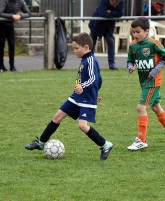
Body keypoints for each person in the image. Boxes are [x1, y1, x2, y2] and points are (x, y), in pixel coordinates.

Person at [25, 33, 113, 161]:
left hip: (86, 100)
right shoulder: (85, 59)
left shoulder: (91, 60)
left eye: (76, 48)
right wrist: (93, 93)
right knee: (57, 117)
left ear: (86, 47)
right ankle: (41, 143)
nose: (74, 51)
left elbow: (95, 79)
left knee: (82, 126)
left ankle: (105, 144)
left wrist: (85, 88)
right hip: (77, 97)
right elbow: (98, 80)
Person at [126, 17, 165, 150]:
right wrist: (130, 67)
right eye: (133, 32)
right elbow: (130, 60)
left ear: (146, 31)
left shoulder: (153, 43)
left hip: (153, 81)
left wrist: (156, 70)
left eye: (138, 32)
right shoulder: (132, 45)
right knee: (156, 107)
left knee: (141, 107)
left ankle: (141, 139)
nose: (135, 35)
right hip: (143, 82)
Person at [89, 0, 125, 70]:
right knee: (92, 42)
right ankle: (90, 62)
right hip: (97, 23)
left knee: (110, 41)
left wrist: (110, 12)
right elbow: (101, 12)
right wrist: (113, 13)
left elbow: (120, 13)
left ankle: (112, 64)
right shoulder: (103, 1)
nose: (115, 5)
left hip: (109, 26)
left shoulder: (121, 1)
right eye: (114, 3)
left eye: (117, 4)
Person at [0, 0, 30, 71]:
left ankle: (12, 66)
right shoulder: (4, 1)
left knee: (11, 44)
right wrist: (12, 16)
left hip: (10, 25)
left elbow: (28, 13)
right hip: (1, 25)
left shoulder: (20, 2)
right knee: (1, 45)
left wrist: (20, 16)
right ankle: (1, 65)